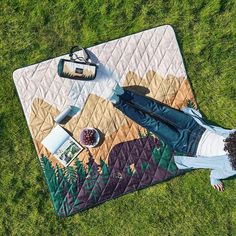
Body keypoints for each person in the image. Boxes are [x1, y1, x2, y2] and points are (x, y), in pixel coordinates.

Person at [107, 84, 236, 191]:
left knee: (152, 123)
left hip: (187, 145)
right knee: (159, 109)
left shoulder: (232, 166)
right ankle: (123, 93)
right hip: (196, 127)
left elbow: (215, 174)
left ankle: (118, 102)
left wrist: (214, 179)